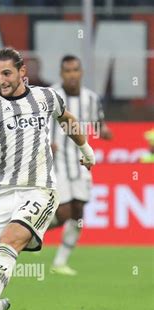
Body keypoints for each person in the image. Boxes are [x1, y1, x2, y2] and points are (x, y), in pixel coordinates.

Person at [0, 48, 95, 310]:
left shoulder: (45, 97)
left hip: (39, 190)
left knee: (9, 241)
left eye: (6, 73)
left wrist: (86, 150)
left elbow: (67, 120)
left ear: (22, 72)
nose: (1, 80)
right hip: (0, 196)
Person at [48, 55, 112, 276]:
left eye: (75, 70)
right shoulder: (50, 96)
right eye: (67, 71)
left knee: (79, 212)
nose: (72, 74)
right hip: (57, 164)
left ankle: (60, 262)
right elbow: (38, 124)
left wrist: (103, 130)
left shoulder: (91, 98)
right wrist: (47, 142)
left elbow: (98, 121)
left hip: (81, 162)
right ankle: (26, 235)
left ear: (81, 72)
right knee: (64, 212)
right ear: (61, 73)